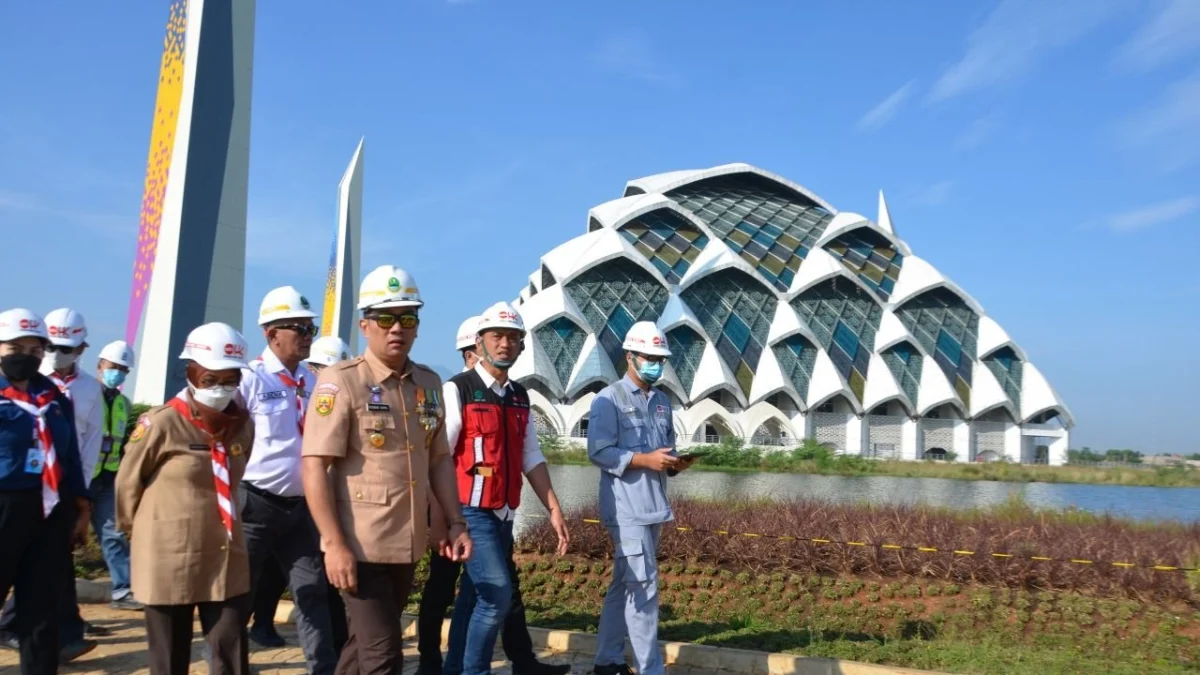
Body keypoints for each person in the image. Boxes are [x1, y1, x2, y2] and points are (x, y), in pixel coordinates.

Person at [301, 264, 472, 675]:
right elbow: (315, 467)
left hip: (406, 542)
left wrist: (454, 521)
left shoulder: (429, 384)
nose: (397, 328)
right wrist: (333, 543)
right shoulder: (340, 382)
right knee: (384, 656)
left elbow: (439, 460)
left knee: (364, 647)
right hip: (358, 544)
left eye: (407, 318)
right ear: (365, 325)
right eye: (385, 318)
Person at [116, 322, 256, 675]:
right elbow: (128, 483)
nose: (221, 389)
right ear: (190, 373)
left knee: (231, 648)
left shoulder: (242, 426)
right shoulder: (162, 424)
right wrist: (141, 534)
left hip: (224, 554)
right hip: (169, 556)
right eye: (211, 379)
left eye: (230, 379)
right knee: (170, 657)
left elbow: (236, 475)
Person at [441, 304, 570, 675]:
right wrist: (443, 519)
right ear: (479, 343)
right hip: (469, 510)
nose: (505, 344)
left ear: (521, 346)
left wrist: (554, 509)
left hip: (504, 514)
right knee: (496, 593)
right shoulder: (459, 389)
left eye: (513, 338)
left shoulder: (519, 396)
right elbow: (439, 458)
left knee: (472, 597)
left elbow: (531, 455)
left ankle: (455, 669)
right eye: (497, 336)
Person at [237, 286, 338, 674]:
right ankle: (226, 664)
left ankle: (322, 668)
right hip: (255, 504)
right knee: (238, 596)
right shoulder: (251, 379)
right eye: (299, 328)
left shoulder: (313, 383)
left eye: (310, 328)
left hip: (302, 507)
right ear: (271, 333)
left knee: (312, 592)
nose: (307, 335)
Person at [587, 321, 696, 675]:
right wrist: (644, 460)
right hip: (626, 509)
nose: (656, 364)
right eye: (649, 357)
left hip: (654, 507)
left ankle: (607, 661)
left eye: (660, 359)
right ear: (629, 356)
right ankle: (651, 669)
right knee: (644, 589)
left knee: (625, 584)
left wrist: (674, 464)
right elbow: (599, 451)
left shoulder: (662, 401)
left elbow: (664, 449)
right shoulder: (609, 399)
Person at [0, 307, 102, 660]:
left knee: (41, 611)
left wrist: (81, 505)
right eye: (15, 349)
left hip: (50, 509)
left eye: (34, 350)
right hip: (4, 506)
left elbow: (71, 455)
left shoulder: (53, 398)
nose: (25, 358)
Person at [249, 333, 352, 650]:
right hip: (270, 497)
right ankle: (260, 625)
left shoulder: (327, 392)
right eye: (322, 367)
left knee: (314, 576)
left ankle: (330, 647)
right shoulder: (272, 382)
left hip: (315, 496)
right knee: (266, 573)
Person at [91, 340, 141, 610]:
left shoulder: (122, 403)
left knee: (114, 534)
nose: (118, 373)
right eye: (113, 367)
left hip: (108, 478)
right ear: (100, 366)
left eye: (123, 369)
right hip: (82, 479)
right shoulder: (87, 396)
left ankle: (123, 591)